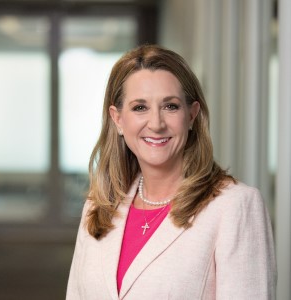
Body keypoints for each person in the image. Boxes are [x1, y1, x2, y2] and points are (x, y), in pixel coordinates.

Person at [66, 44, 276, 300]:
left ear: (192, 115)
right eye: (140, 107)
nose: (156, 123)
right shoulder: (98, 206)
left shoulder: (234, 206)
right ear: (118, 119)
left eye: (170, 106)